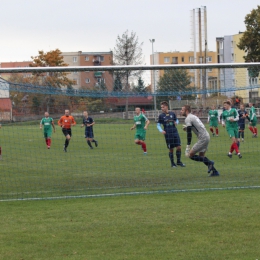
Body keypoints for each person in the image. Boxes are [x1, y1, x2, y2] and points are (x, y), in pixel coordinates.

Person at [181, 105, 219, 177]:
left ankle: (210, 163)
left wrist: (187, 146)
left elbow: (189, 134)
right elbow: (197, 125)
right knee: (201, 156)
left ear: (186, 111)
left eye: (182, 110)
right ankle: (215, 172)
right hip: (206, 135)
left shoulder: (188, 118)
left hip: (203, 138)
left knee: (191, 155)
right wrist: (187, 127)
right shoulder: (193, 116)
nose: (180, 111)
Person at [157, 101, 185, 168]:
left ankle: (178, 161)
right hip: (168, 134)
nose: (162, 108)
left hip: (175, 132)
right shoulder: (161, 116)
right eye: (161, 107)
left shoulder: (172, 113)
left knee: (179, 147)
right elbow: (158, 125)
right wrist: (161, 130)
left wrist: (176, 122)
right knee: (171, 149)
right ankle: (172, 163)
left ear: (166, 107)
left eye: (163, 107)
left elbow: (177, 120)